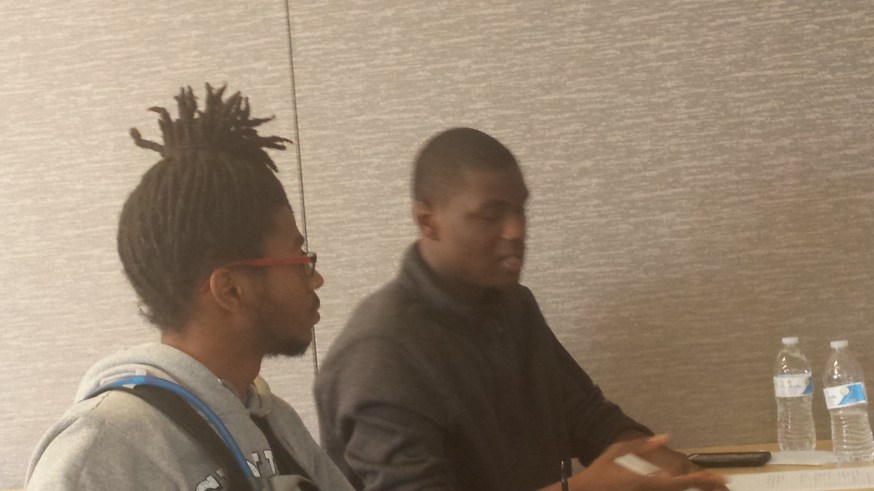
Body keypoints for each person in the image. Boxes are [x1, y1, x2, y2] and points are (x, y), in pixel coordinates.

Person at [314, 127, 728, 491]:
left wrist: (650, 458)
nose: (516, 230)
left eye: (520, 209)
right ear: (428, 220)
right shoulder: (380, 354)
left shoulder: (512, 303)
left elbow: (585, 416)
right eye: (491, 215)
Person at [26, 85, 353, 491]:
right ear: (230, 290)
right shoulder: (98, 452)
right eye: (299, 258)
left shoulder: (277, 423)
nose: (315, 278)